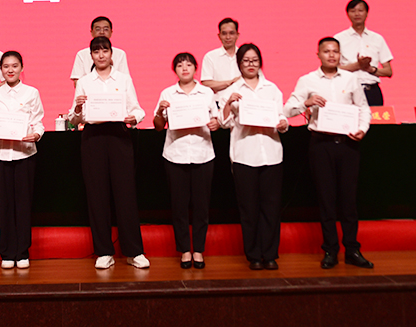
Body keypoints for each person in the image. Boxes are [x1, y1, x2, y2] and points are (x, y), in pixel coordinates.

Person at [285, 37, 373, 270]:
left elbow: (363, 108)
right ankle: (330, 250)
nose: (331, 55)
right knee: (326, 200)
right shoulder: (307, 80)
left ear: (340, 55)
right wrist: (307, 102)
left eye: (335, 51)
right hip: (321, 145)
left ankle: (352, 250)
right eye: (327, 51)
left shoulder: (351, 78)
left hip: (348, 144)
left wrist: (362, 129)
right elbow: (287, 109)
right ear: (318, 55)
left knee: (348, 200)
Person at [68, 36, 149, 270]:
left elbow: (137, 109)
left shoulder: (123, 79)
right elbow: (74, 118)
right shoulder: (84, 82)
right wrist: (78, 108)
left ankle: (134, 251)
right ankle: (104, 251)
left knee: (126, 193)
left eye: (105, 51)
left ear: (112, 54)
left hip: (119, 136)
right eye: (96, 52)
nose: (101, 55)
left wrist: (134, 117)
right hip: (93, 137)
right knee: (97, 195)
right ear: (91, 56)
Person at [220, 43, 289, 270]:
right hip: (244, 155)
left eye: (255, 60)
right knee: (249, 209)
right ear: (239, 64)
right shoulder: (233, 89)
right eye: (246, 61)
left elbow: (281, 117)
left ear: (260, 62)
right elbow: (223, 122)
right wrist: (229, 102)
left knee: (271, 207)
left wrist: (283, 123)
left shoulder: (272, 89)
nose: (251, 64)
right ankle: (254, 255)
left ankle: (270, 254)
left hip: (271, 154)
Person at [153, 52, 219, 269]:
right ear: (175, 70)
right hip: (176, 155)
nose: (184, 68)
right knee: (179, 206)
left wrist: (215, 124)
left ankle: (198, 250)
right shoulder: (167, 93)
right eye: (180, 65)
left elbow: (216, 119)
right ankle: (184, 250)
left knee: (201, 206)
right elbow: (158, 126)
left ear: (195, 68)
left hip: (203, 154)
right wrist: (160, 111)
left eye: (189, 65)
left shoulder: (206, 93)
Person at [0, 51, 45, 270]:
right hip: (1, 155)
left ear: (21, 68)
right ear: (1, 69)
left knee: (23, 205)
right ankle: (7, 252)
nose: (10, 70)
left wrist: (36, 135)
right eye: (6, 66)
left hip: (25, 154)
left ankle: (22, 252)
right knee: (4, 205)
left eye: (15, 66)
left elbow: (38, 121)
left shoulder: (32, 92)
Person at [334, 0, 393, 107]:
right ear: (347, 14)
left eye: (360, 10)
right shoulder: (339, 39)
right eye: (353, 11)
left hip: (372, 91)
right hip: (348, 90)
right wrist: (357, 66)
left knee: (375, 118)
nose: (357, 14)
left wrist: (371, 69)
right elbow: (333, 69)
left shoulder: (377, 38)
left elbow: (388, 71)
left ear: (367, 13)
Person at [71, 16, 129, 85]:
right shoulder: (81, 54)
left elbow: (125, 79)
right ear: (92, 32)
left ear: (111, 32)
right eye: (98, 29)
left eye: (106, 29)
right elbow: (77, 81)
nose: (102, 32)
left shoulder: (120, 54)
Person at [200, 17, 241, 102]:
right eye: (224, 34)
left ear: (237, 35)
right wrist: (230, 82)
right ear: (219, 36)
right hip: (218, 104)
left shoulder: (245, 56)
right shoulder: (210, 56)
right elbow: (206, 83)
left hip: (242, 103)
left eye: (231, 33)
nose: (228, 37)